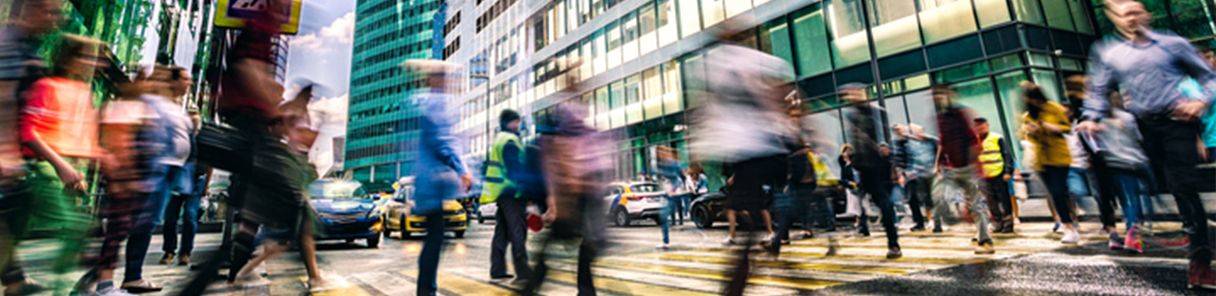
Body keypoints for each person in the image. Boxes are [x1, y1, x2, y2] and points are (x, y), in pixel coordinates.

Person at [1082, 1, 1216, 288]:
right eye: (1124, 14)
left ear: (1146, 15)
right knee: (1165, 187)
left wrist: (1201, 101)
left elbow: (1209, 77)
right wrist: (1092, 117)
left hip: (1177, 122)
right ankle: (1192, 233)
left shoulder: (1172, 43)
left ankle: (1200, 264)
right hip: (1145, 129)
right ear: (1115, 20)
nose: (1131, 19)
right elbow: (1098, 89)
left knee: (1184, 187)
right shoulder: (1109, 53)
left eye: (1135, 13)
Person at [0, 1, 62, 294]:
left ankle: (13, 279)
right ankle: (13, 279)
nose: (55, 18)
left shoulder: (27, 46)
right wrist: (5, 150)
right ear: (28, 11)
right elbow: (4, 97)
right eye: (49, 11)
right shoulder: (9, 42)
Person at [525, 102, 612, 296]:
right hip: (574, 203)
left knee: (563, 249)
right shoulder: (562, 140)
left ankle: (532, 289)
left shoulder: (561, 139)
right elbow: (559, 175)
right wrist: (555, 203)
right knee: (573, 248)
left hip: (577, 202)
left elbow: (561, 175)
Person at [406, 60, 473, 296]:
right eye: (444, 78)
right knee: (435, 239)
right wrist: (461, 169)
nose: (448, 82)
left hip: (430, 183)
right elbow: (442, 142)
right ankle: (426, 291)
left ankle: (426, 289)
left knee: (435, 238)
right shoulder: (435, 104)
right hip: (433, 183)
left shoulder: (426, 102)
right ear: (435, 80)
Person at [929, 85, 994, 255]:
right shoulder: (939, 117)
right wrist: (938, 163)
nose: (937, 97)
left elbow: (973, 140)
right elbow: (943, 142)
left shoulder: (961, 113)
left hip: (969, 167)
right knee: (938, 194)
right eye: (935, 95)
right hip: (951, 168)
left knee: (976, 205)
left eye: (940, 94)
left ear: (950, 94)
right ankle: (953, 219)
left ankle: (985, 241)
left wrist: (972, 166)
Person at [838, 83, 901, 258]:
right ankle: (864, 228)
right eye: (847, 95)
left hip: (878, 166)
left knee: (884, 204)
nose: (849, 98)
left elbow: (885, 138)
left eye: (852, 94)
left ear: (862, 93)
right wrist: (853, 157)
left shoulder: (876, 111)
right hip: (863, 168)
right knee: (861, 201)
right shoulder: (851, 114)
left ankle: (893, 243)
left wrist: (887, 153)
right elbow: (855, 141)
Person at [1019, 81, 1079, 244]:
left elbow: (1066, 128)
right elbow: (1024, 136)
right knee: (1055, 193)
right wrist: (1030, 131)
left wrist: (1050, 127)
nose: (1034, 102)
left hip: (1058, 156)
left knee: (1059, 191)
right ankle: (1068, 225)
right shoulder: (1027, 116)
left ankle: (1070, 223)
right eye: (1030, 99)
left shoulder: (1053, 108)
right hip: (1041, 160)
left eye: (1036, 98)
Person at [483, 109, 531, 281]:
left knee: (502, 232)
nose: (519, 125)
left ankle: (497, 269)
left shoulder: (499, 139)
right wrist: (526, 188)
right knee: (518, 231)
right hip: (512, 192)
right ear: (510, 123)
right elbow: (514, 170)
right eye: (516, 122)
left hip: (502, 192)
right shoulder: (510, 141)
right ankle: (523, 271)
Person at [160, 68, 201, 267]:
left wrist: (207, 183)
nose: (194, 120)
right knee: (171, 217)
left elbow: (207, 163)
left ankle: (185, 253)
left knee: (191, 217)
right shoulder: (180, 128)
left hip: (195, 180)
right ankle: (169, 251)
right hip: (176, 174)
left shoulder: (201, 138)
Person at [974, 117, 1015, 233]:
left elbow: (1007, 155)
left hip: (999, 173)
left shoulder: (997, 138)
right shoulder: (974, 140)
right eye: (977, 126)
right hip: (983, 176)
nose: (980, 128)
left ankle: (1008, 223)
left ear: (987, 125)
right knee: (990, 200)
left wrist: (1008, 171)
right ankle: (997, 222)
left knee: (1004, 199)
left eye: (982, 126)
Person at [904, 124, 939, 232]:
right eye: (916, 132)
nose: (918, 134)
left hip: (932, 173)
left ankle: (937, 222)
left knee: (935, 198)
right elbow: (911, 159)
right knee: (926, 198)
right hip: (920, 175)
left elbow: (939, 144)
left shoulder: (930, 141)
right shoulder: (911, 144)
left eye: (920, 131)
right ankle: (930, 220)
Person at [656, 145, 683, 249]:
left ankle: (666, 241)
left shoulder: (673, 164)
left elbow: (680, 177)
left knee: (664, 215)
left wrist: (674, 188)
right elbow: (662, 178)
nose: (660, 154)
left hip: (673, 194)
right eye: (659, 153)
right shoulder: (661, 164)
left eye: (662, 152)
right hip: (665, 194)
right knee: (663, 217)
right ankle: (665, 241)